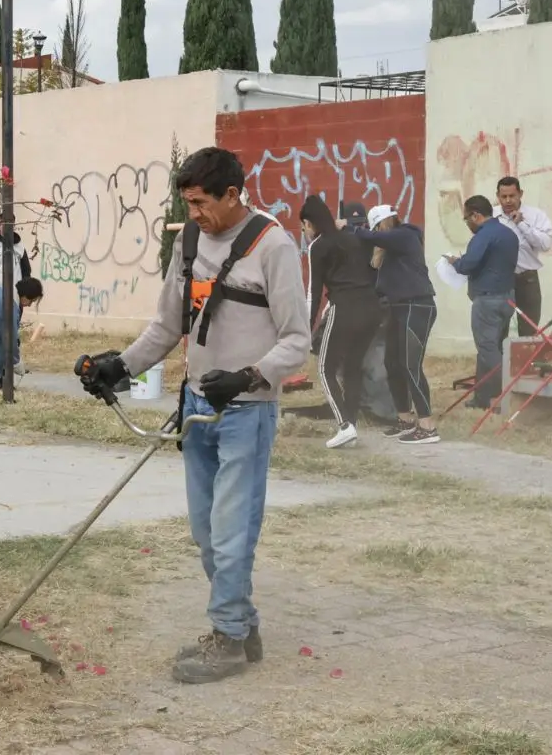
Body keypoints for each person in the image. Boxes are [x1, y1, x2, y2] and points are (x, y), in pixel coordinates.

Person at [77, 147, 309, 685]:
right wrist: (119, 366)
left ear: (233, 194)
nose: (196, 214)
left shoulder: (273, 245)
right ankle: (242, 627)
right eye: (188, 203)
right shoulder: (189, 241)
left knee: (231, 532)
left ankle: (227, 637)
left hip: (247, 411)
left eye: (203, 203)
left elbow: (299, 340)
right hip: (198, 407)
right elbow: (166, 327)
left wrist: (250, 376)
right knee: (207, 534)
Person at [340, 205, 440, 444]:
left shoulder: (406, 234)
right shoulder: (389, 250)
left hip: (417, 306)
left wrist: (348, 226)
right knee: (392, 363)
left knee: (410, 365)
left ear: (384, 223)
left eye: (377, 228)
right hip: (398, 307)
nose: (376, 234)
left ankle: (427, 425)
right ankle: (405, 418)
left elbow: (373, 236)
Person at [302, 196, 383, 449]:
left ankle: (344, 426)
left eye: (304, 227)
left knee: (325, 367)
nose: (304, 232)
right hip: (372, 308)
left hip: (344, 308)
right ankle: (351, 425)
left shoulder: (318, 246)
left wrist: (306, 327)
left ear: (309, 223)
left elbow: (314, 293)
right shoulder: (353, 238)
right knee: (353, 368)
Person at [449, 195, 519, 410]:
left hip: (487, 301)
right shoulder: (508, 233)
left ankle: (505, 397)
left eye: (466, 219)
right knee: (490, 348)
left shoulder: (483, 235)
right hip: (507, 298)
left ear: (476, 215)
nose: (467, 223)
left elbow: (469, 264)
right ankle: (481, 397)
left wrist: (455, 262)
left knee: (488, 350)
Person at [493, 176, 552, 336]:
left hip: (527, 280)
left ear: (520, 194)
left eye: (512, 196)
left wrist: (523, 225)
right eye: (503, 196)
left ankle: (524, 361)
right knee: (499, 330)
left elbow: (545, 244)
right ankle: (501, 362)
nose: (508, 201)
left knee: (529, 330)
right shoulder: (491, 217)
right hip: (500, 281)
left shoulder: (536, 215)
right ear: (497, 196)